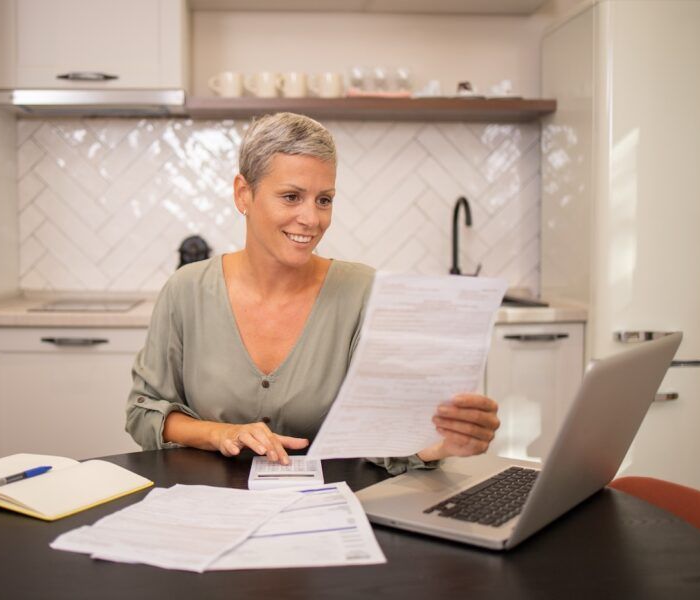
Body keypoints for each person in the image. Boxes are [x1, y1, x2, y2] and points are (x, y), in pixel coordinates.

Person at [126, 112, 500, 474]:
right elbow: (144, 412)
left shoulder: (363, 292)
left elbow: (381, 434)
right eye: (291, 197)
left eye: (324, 199)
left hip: (331, 506)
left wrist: (443, 442)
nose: (312, 219)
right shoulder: (186, 290)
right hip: (207, 503)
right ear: (243, 194)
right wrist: (220, 433)